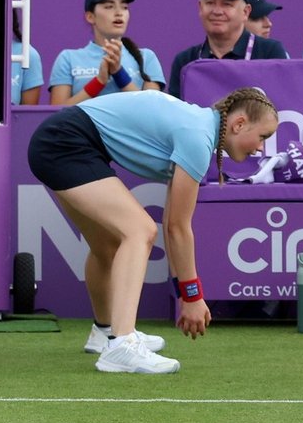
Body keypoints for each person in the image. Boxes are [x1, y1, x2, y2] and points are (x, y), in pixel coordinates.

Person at [26, 86, 276, 373]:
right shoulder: (198, 136)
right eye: (263, 136)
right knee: (140, 230)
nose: (261, 148)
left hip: (62, 140)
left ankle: (105, 332)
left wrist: (185, 293)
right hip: (65, 144)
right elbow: (178, 228)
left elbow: (172, 223)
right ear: (239, 124)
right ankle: (121, 344)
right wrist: (192, 297)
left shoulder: (197, 128)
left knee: (106, 246)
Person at [166, 0, 290, 97]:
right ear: (200, 7)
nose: (217, 11)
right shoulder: (185, 61)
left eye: (227, 4)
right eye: (210, 3)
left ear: (245, 12)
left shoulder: (269, 52)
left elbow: (282, 102)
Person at [49, 0, 165, 104]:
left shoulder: (147, 57)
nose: (119, 12)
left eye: (124, 7)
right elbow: (58, 111)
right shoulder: (68, 58)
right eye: (109, 6)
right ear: (90, 17)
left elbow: (152, 107)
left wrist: (119, 74)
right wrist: (99, 82)